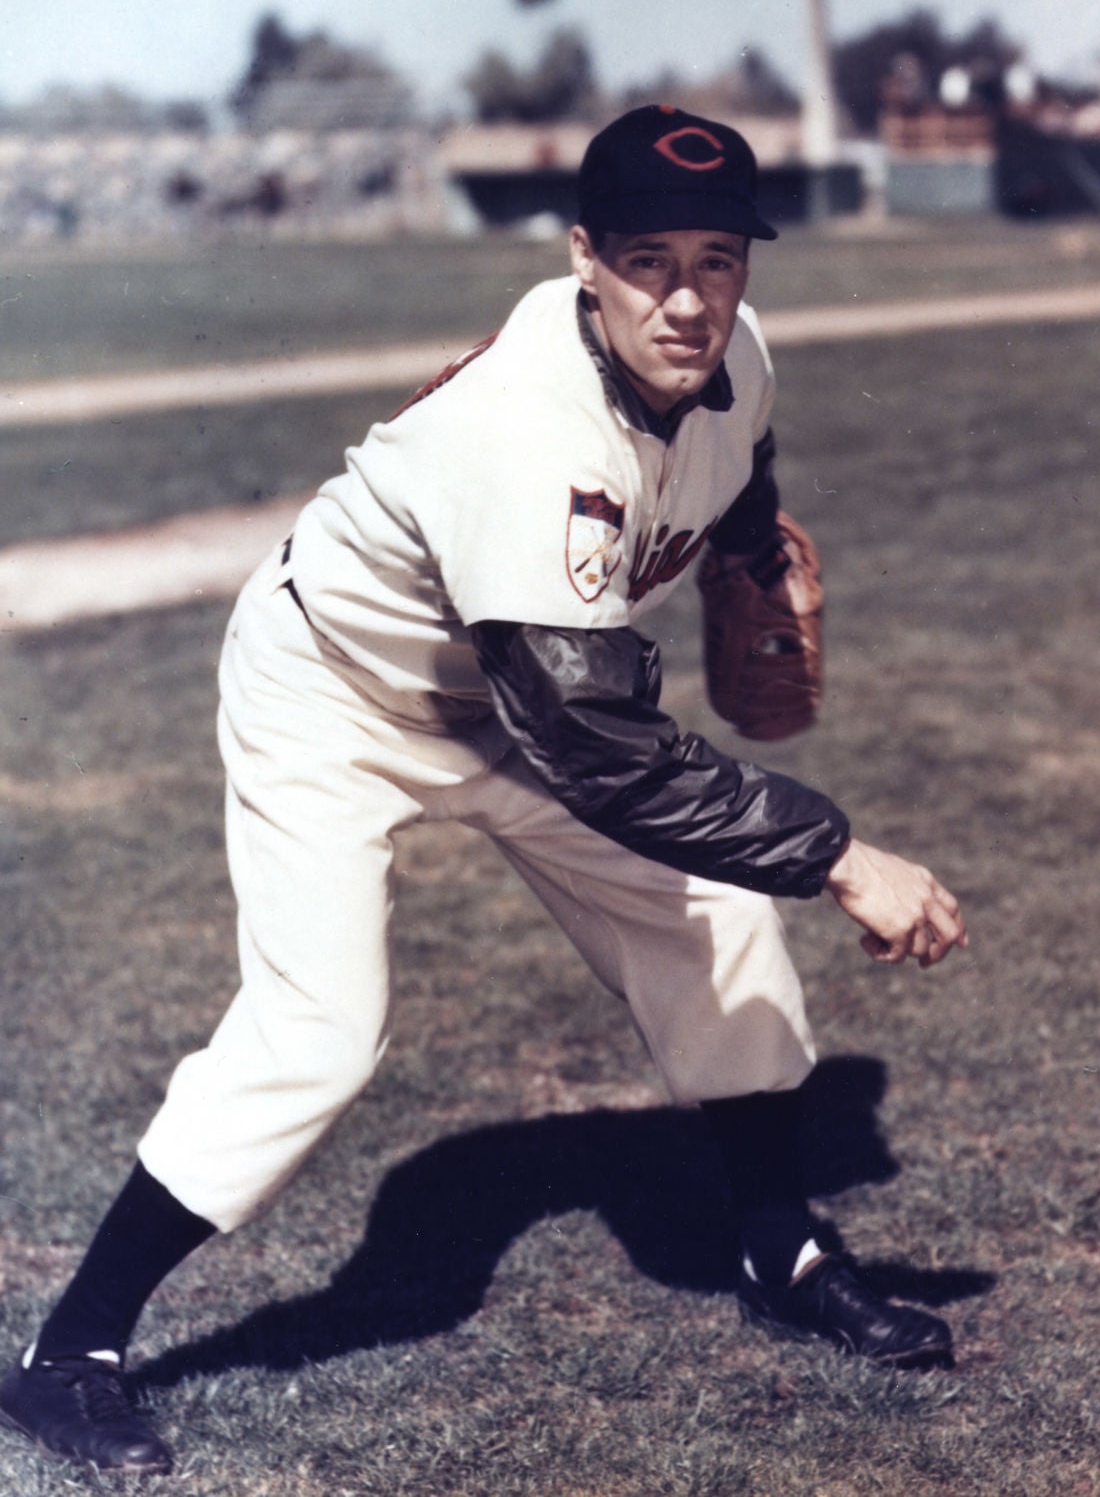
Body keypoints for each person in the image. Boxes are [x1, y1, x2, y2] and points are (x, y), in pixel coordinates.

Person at [0, 105, 967, 1476]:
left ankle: (780, 1250)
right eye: (647, 261)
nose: (688, 300)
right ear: (583, 257)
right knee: (318, 1031)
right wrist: (839, 854)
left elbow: (742, 464)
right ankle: (69, 1355)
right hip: (337, 694)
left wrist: (751, 552)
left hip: (517, 697)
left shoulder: (735, 354)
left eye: (717, 258)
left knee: (717, 920)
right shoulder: (526, 432)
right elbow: (597, 749)